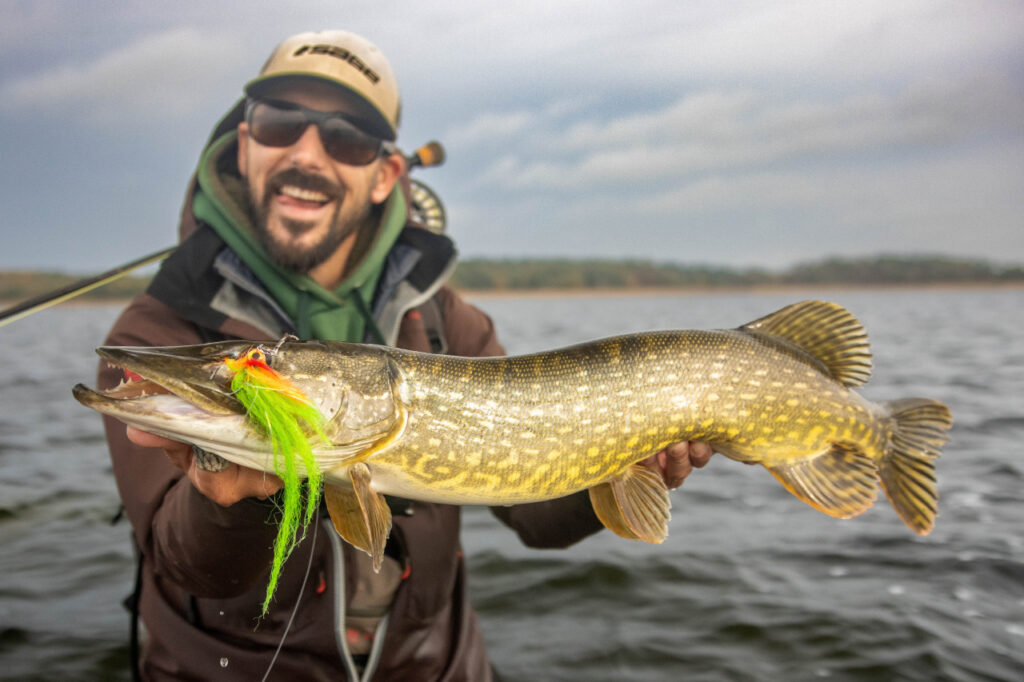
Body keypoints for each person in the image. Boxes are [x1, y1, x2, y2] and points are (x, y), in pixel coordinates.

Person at [99, 29, 713, 681]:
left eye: (348, 138)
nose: (308, 154)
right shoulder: (156, 329)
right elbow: (183, 564)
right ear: (246, 145)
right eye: (281, 124)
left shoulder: (445, 320)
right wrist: (227, 499)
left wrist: (626, 466)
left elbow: (535, 514)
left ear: (384, 174)